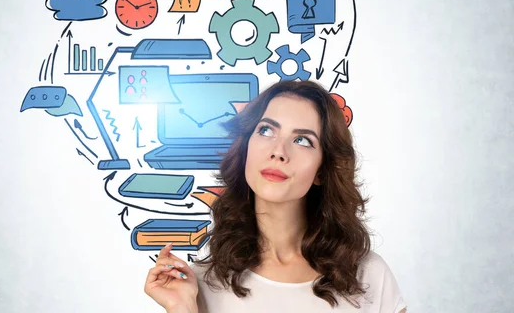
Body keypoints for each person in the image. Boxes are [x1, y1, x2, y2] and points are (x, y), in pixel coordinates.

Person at [144, 80, 407, 312]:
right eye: (266, 130)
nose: (278, 151)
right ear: (246, 147)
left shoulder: (368, 276)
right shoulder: (201, 284)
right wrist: (182, 309)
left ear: (321, 170)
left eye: (302, 140)